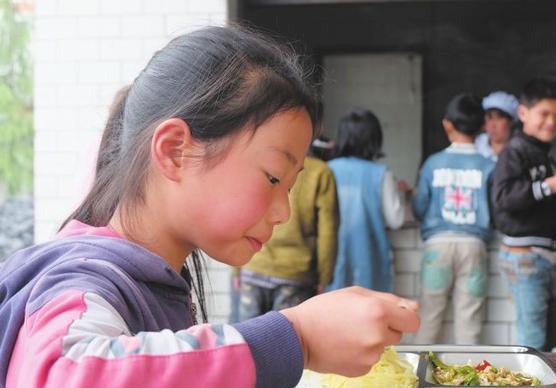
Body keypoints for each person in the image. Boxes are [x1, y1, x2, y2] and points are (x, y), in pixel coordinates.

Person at [0, 26, 420, 388]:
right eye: (274, 177)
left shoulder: (153, 279)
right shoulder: (82, 282)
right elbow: (61, 375)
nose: (283, 212)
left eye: (290, 188)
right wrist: (296, 338)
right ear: (175, 151)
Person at [491, 76, 556, 351]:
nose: (551, 122)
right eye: (544, 114)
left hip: (547, 257)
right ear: (523, 113)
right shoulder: (515, 151)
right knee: (534, 342)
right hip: (525, 259)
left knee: (551, 336)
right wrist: (552, 185)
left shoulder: (541, 152)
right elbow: (503, 197)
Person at [411, 93, 495, 345]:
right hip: (474, 247)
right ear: (482, 127)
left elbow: (419, 207)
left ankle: (417, 378)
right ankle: (467, 381)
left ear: (447, 124)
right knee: (469, 321)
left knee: (428, 318)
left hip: (437, 247)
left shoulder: (433, 164)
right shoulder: (489, 165)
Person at [235, 146, 339, 320]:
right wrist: (324, 277)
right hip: (295, 273)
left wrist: (236, 269)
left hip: (253, 267)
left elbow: (239, 213)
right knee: (285, 342)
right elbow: (327, 233)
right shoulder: (320, 172)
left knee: (247, 341)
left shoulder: (262, 161)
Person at [327, 108, 405, 293]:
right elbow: (396, 220)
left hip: (333, 259)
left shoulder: (327, 170)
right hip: (370, 260)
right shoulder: (381, 173)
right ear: (375, 139)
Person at [474, 91, 519, 161]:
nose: (493, 125)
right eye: (489, 118)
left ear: (511, 122)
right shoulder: (475, 145)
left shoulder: (521, 148)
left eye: (499, 118)